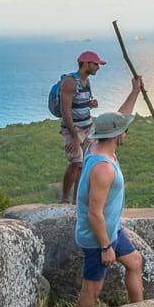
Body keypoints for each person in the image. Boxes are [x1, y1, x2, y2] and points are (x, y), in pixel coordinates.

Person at [74, 76, 144, 307]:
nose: (126, 132)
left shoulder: (95, 145)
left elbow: (119, 118)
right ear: (117, 135)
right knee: (91, 291)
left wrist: (135, 91)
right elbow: (95, 212)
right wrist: (106, 247)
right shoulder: (104, 168)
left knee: (134, 262)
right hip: (97, 236)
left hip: (111, 229)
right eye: (123, 130)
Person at [59, 50, 105, 204]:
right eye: (96, 64)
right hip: (74, 129)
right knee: (76, 163)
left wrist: (90, 105)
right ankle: (65, 198)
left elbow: (78, 104)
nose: (98, 67)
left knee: (84, 165)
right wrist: (73, 135)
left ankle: (76, 201)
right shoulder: (70, 82)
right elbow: (65, 110)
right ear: (86, 64)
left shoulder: (87, 82)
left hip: (88, 126)